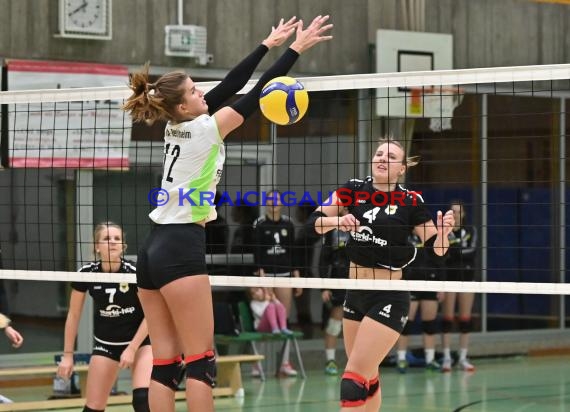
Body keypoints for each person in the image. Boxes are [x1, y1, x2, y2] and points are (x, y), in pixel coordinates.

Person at [122, 16, 332, 412]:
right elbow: (258, 92)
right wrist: (295, 50)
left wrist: (265, 43)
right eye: (194, 89)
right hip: (181, 245)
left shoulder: (177, 125)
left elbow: (232, 85)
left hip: (152, 251)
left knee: (166, 361)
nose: (203, 92)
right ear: (183, 104)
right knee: (201, 360)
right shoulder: (206, 129)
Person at [307, 138, 454, 411]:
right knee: (368, 375)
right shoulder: (351, 190)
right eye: (379, 153)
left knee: (352, 379)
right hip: (355, 294)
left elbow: (437, 250)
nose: (383, 159)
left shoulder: (410, 201)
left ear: (401, 169)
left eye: (391, 156)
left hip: (388, 295)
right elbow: (312, 224)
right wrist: (337, 220)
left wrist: (444, 235)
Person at [57, 222, 152, 412]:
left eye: (117, 239)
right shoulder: (87, 273)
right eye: (107, 238)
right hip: (106, 344)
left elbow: (151, 315)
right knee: (93, 408)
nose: (112, 243)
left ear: (123, 247)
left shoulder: (135, 273)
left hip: (140, 344)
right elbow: (73, 315)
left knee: (142, 401)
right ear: (96, 246)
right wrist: (68, 356)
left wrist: (132, 349)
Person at [253, 189, 302, 377]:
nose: (273, 202)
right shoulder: (259, 224)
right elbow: (257, 251)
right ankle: (257, 364)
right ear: (266, 203)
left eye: (276, 200)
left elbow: (293, 252)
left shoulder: (288, 224)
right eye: (270, 200)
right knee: (265, 319)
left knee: (283, 321)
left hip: (284, 274)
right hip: (266, 275)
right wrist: (260, 275)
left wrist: (297, 276)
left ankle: (284, 363)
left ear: (281, 203)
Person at [396, 234, 444, 373]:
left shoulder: (431, 236)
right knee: (405, 324)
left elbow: (441, 260)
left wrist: (441, 285)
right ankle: (401, 359)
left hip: (430, 282)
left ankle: (430, 360)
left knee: (430, 325)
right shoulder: (405, 235)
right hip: (410, 282)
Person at [441, 200, 478, 373]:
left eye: (458, 212)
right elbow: (442, 253)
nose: (455, 214)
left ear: (463, 214)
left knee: (465, 319)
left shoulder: (470, 230)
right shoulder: (446, 231)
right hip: (449, 279)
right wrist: (455, 250)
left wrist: (454, 250)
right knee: (447, 319)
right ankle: (447, 358)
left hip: (467, 279)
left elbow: (472, 251)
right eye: (453, 211)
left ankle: (463, 357)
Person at [319, 221, 350, 376]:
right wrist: (324, 286)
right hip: (338, 278)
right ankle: (330, 360)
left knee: (358, 323)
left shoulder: (363, 222)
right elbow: (324, 258)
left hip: (359, 278)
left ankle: (356, 362)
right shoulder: (332, 228)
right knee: (335, 323)